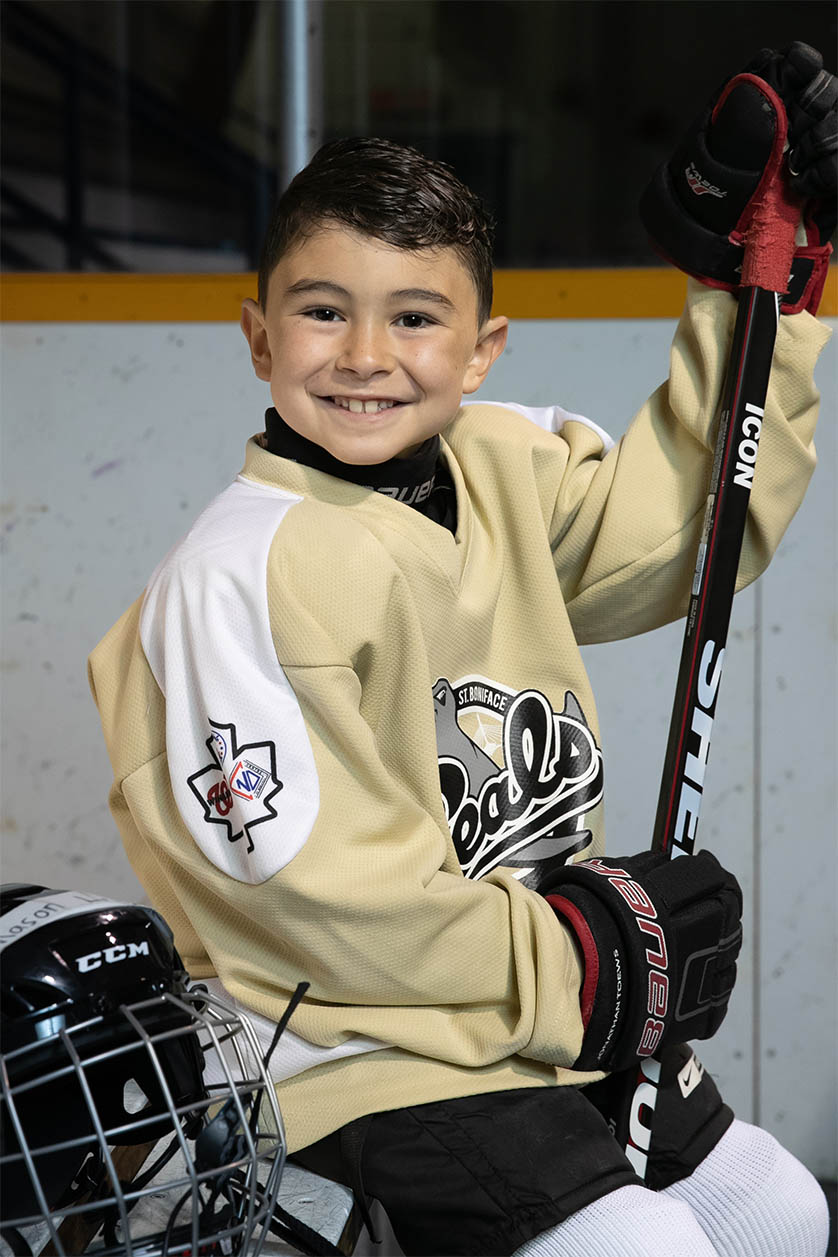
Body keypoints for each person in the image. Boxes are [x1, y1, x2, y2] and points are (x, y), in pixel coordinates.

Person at [89, 44, 835, 1257]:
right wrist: (581, 957)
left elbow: (687, 539)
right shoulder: (233, 578)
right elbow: (319, 903)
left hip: (528, 1020)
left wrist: (760, 299)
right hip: (354, 1054)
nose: (364, 354)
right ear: (258, 336)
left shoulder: (498, 462)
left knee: (777, 1215)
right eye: (321, 311)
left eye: (414, 317)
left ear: (481, 348)